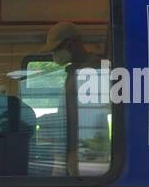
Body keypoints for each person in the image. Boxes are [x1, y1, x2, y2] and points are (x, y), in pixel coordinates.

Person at [40, 21, 103, 177]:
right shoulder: (75, 71)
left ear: (73, 43)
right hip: (72, 148)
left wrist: (87, 149)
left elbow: (90, 116)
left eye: (57, 49)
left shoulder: (92, 71)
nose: (54, 54)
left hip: (84, 151)